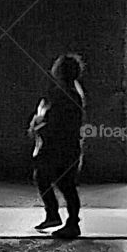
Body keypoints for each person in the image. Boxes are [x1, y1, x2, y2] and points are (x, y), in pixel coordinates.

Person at [29, 54, 85, 239]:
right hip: (63, 144)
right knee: (52, 180)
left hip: (60, 145)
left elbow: (56, 120)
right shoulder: (68, 91)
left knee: (63, 184)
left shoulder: (66, 94)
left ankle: (70, 222)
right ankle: (55, 215)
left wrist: (38, 127)